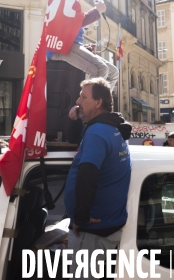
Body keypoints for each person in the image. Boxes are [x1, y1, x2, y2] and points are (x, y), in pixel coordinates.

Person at [64, 78, 131, 279]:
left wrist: (81, 217)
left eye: (83, 97)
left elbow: (87, 176)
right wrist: (76, 118)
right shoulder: (111, 128)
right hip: (103, 227)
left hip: (91, 231)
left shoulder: (97, 133)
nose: (77, 101)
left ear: (98, 102)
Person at [46, 0, 119, 91]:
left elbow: (66, 23)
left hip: (66, 45)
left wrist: (82, 47)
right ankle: (88, 108)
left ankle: (102, 106)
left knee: (113, 72)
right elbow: (78, 21)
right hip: (61, 47)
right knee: (100, 69)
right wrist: (97, 11)